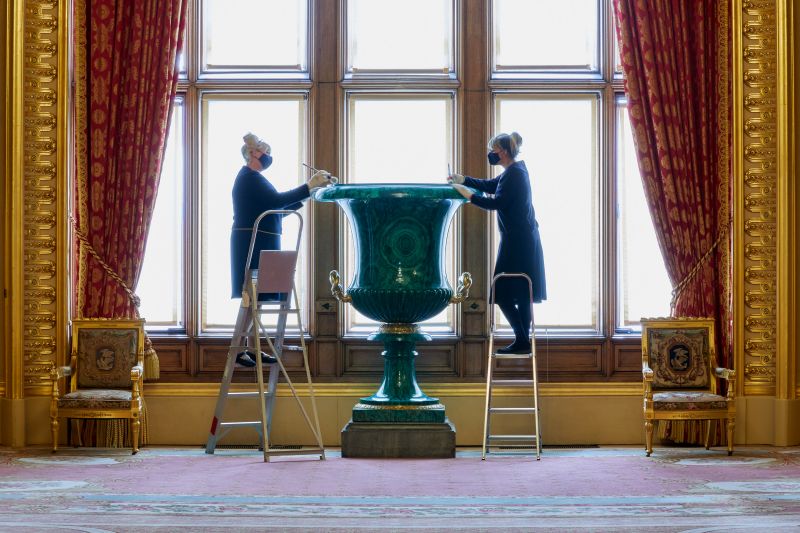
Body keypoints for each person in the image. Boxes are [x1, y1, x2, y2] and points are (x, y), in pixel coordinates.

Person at [230, 132, 332, 366]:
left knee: (257, 300)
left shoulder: (255, 179)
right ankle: (240, 350)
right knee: (251, 298)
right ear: (253, 153)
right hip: (253, 245)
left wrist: (309, 194)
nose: (267, 156)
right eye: (264, 152)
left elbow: (278, 210)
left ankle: (252, 348)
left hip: (264, 242)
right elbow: (276, 201)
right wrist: (308, 186)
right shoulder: (249, 177)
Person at [449, 132, 546, 354]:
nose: (491, 154)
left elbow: (497, 203)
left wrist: (469, 196)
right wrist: (463, 179)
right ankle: (522, 341)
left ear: (502, 151)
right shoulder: (514, 171)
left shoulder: (515, 174)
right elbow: (492, 185)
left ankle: (522, 340)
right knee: (521, 293)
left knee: (503, 292)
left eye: (493, 150)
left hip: (518, 243)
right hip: (521, 240)